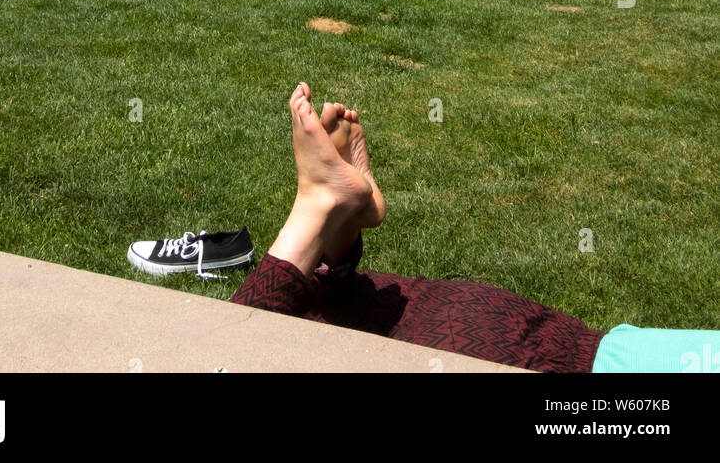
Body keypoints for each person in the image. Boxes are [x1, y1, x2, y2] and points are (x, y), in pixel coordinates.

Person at [231, 84, 720, 374]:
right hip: (578, 352)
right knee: (333, 310)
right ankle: (332, 227)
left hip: (558, 360)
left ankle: (323, 212)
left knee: (238, 346)